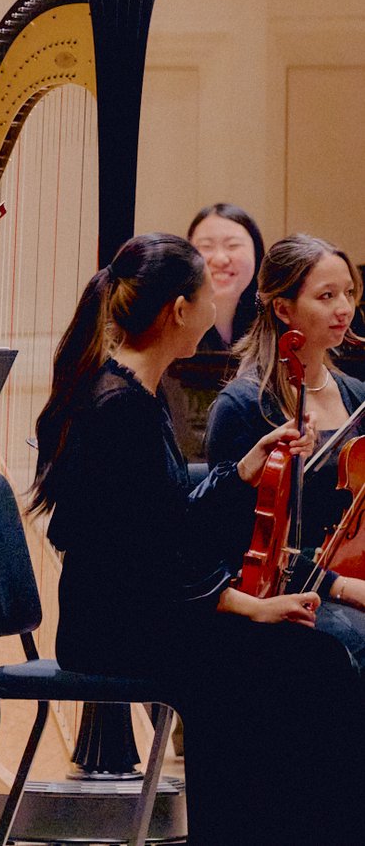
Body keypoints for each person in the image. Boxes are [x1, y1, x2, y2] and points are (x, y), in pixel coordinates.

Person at [30, 232, 363, 846]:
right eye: (206, 296)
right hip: (114, 627)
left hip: (133, 613)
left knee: (305, 656)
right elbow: (145, 564)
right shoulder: (120, 409)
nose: (216, 310)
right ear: (180, 312)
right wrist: (249, 605)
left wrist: (242, 471)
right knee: (313, 659)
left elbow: (166, 521)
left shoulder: (132, 393)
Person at [204, 234, 365, 669]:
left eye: (349, 293)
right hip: (282, 595)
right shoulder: (243, 406)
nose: (344, 308)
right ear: (283, 308)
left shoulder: (357, 396)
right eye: (326, 296)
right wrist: (345, 587)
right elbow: (229, 537)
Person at [188, 202, 265, 352]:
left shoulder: (273, 321)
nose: (220, 259)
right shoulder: (172, 325)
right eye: (206, 246)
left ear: (257, 252)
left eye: (233, 245)